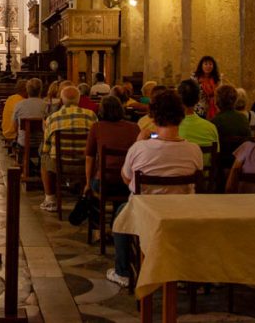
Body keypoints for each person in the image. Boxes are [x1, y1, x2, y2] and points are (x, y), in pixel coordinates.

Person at [108, 88, 202, 288]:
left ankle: (123, 271)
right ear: (181, 115)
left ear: (153, 116)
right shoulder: (194, 150)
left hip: (145, 215)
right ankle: (182, 272)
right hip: (182, 213)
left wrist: (138, 143)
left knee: (119, 215)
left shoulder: (140, 148)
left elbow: (126, 178)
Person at [38, 85, 97, 212]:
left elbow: (46, 147)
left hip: (60, 164)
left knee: (44, 158)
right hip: (86, 165)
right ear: (79, 99)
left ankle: (50, 199)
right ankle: (85, 194)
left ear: (61, 99)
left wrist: (46, 152)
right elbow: (96, 141)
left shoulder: (53, 118)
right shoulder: (90, 116)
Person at [85, 94, 139, 191]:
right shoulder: (134, 127)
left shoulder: (96, 127)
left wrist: (88, 183)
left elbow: (90, 157)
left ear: (101, 110)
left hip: (104, 181)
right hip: (128, 181)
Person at [176, 79, 219, 163]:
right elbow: (216, 156)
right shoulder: (211, 127)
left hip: (180, 173)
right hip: (204, 174)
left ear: (178, 98)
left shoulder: (172, 128)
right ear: (198, 99)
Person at [12, 78, 46, 149]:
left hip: (23, 142)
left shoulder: (19, 105)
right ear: (40, 90)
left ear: (27, 90)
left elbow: (15, 125)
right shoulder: (46, 105)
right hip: (42, 142)